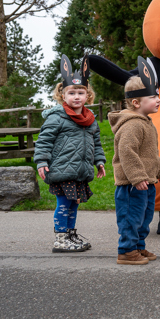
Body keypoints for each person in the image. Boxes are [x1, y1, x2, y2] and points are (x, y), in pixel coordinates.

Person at [35, 55, 106, 253]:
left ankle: (70, 234)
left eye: (80, 93)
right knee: (64, 203)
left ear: (87, 96)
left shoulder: (90, 120)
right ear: (62, 96)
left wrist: (99, 161)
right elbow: (43, 141)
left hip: (80, 171)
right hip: (62, 169)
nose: (76, 97)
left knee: (74, 203)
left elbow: (96, 143)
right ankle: (60, 238)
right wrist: (41, 161)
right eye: (71, 93)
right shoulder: (56, 118)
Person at [109, 57, 160, 265]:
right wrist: (137, 177)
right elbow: (127, 152)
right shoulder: (132, 125)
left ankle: (138, 247)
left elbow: (150, 152)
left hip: (146, 181)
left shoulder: (146, 123)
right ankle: (126, 251)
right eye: (153, 96)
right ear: (136, 102)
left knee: (144, 219)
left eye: (158, 95)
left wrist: (159, 169)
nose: (158, 100)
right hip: (132, 184)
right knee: (131, 218)